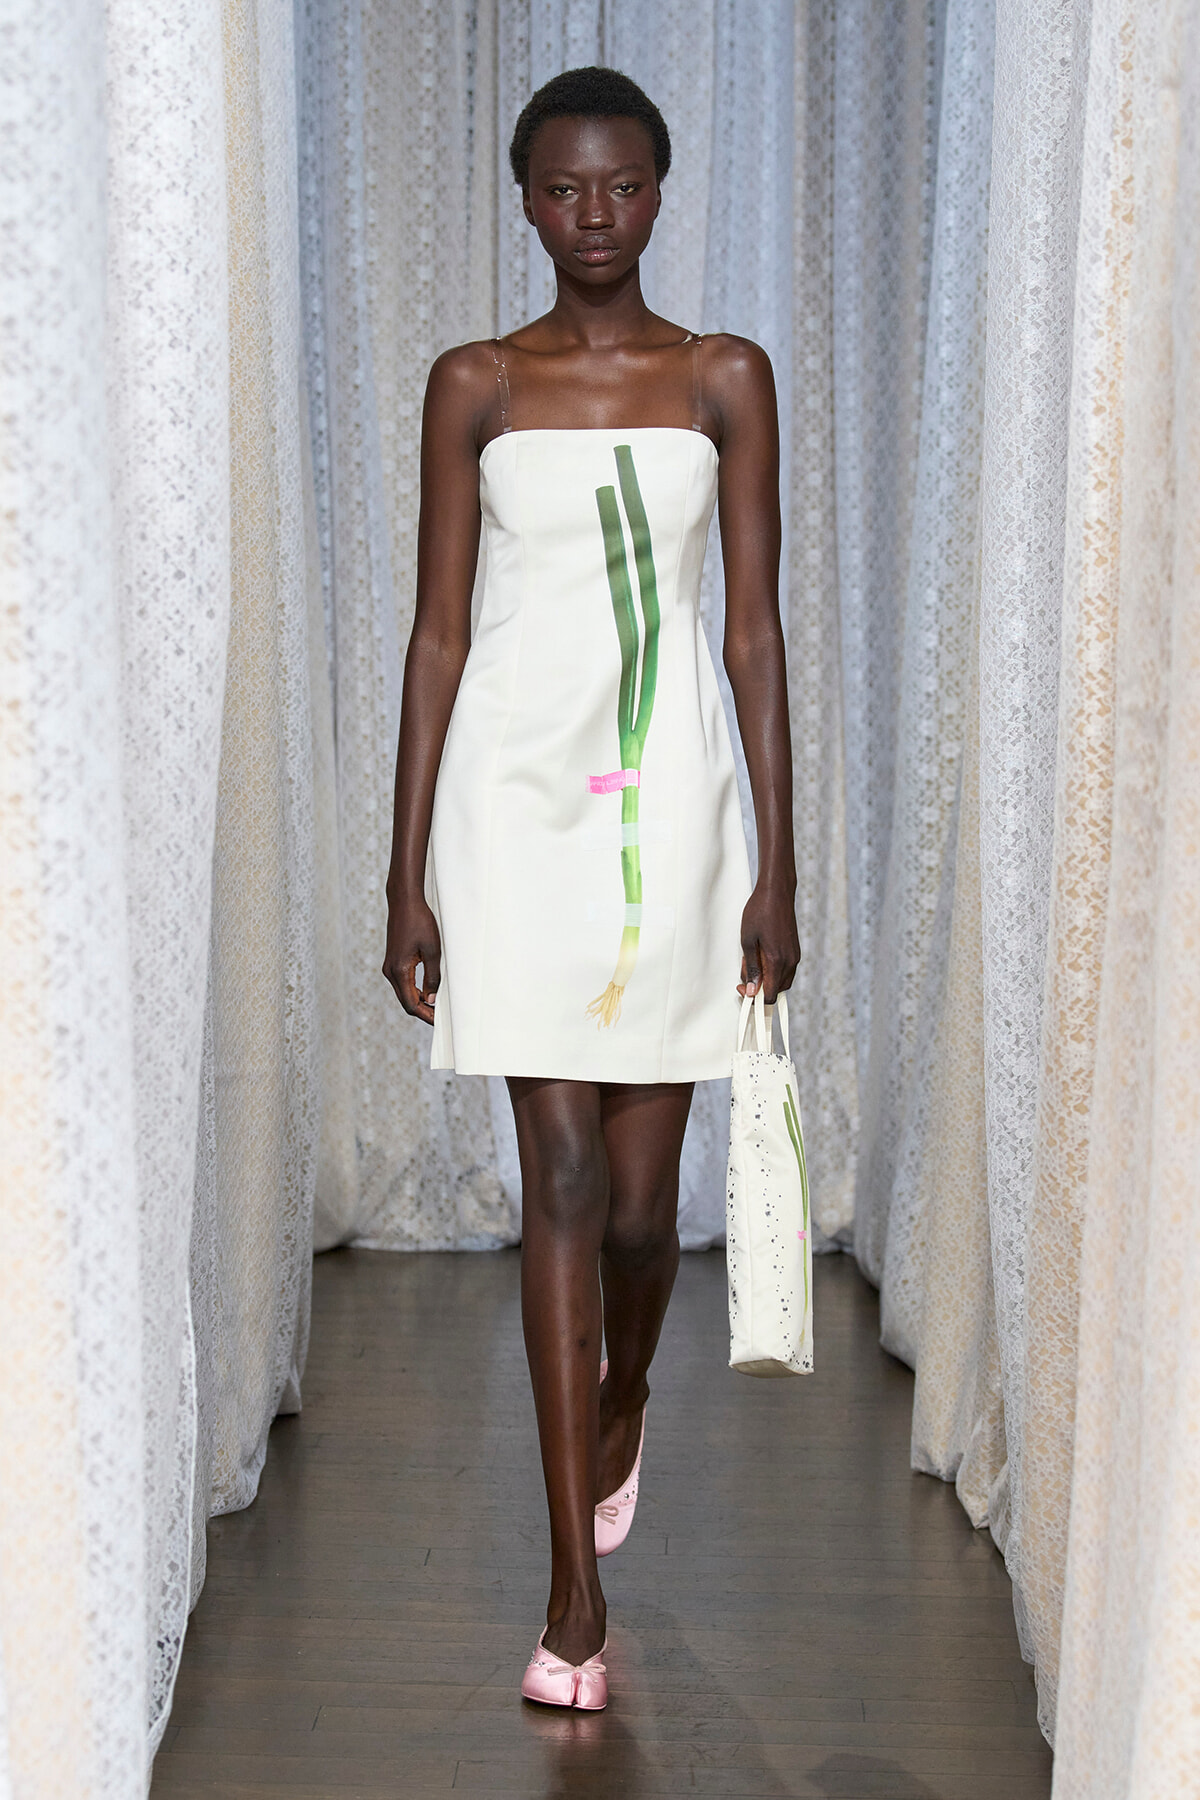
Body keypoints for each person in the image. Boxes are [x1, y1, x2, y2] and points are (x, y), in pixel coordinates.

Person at [383, 65, 799, 1710]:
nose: (596, 216)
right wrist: (405, 868)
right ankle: (572, 1598)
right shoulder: (474, 383)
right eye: (565, 190)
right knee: (556, 1179)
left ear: (660, 189)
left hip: (679, 813)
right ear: (526, 200)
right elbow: (437, 631)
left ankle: (627, 1390)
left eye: (622, 187)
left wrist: (780, 858)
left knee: (641, 1212)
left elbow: (754, 630)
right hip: (516, 807)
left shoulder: (725, 378)